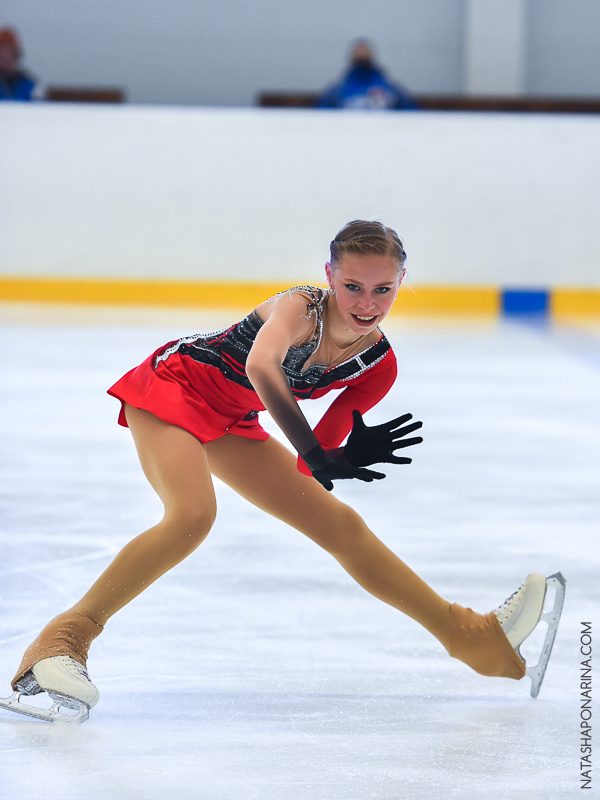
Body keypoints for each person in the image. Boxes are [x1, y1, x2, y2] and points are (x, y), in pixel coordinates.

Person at [1, 220, 564, 723]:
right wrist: (319, 457)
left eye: (383, 290)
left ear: (400, 283)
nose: (366, 303)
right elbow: (261, 367)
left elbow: (310, 455)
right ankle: (60, 644)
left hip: (231, 420)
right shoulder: (300, 307)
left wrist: (334, 458)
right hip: (173, 386)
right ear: (329, 276)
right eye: (353, 287)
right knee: (192, 515)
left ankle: (475, 638)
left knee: (341, 526)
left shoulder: (377, 364)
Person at [317, 40, 418, 110]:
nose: (362, 57)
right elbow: (319, 117)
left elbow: (412, 115)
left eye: (365, 54)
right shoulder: (337, 91)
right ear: (352, 58)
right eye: (359, 54)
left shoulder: (391, 89)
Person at [0, 27, 37, 101]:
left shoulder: (29, 84)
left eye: (9, 52)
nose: (5, 56)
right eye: (2, 51)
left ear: (16, 55)